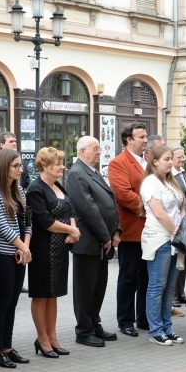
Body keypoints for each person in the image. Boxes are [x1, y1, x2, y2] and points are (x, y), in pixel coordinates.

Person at [66, 137, 120, 348]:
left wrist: (116, 231)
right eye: (95, 149)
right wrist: (105, 235)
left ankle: (94, 324)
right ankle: (84, 330)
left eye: (99, 149)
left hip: (102, 241)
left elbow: (110, 203)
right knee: (85, 289)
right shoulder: (77, 173)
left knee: (98, 287)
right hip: (89, 242)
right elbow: (88, 209)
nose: (99, 152)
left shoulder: (93, 171)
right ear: (82, 151)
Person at [27, 147, 80, 356]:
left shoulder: (58, 185)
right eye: (57, 164)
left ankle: (53, 337)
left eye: (61, 163)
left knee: (54, 295)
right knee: (41, 295)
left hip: (60, 249)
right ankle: (42, 339)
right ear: (45, 166)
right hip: (42, 249)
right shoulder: (35, 189)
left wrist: (73, 231)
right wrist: (72, 230)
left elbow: (70, 210)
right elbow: (46, 222)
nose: (62, 167)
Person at [0, 149, 32, 368]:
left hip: (19, 251)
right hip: (3, 253)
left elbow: (27, 222)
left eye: (21, 165)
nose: (21, 169)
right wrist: (22, 247)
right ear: (5, 167)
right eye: (16, 166)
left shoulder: (19, 190)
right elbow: (2, 226)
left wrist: (26, 248)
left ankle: (8, 347)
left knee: (13, 301)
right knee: (3, 301)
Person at [140, 145, 186, 346]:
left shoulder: (171, 181)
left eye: (171, 159)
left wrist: (181, 226)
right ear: (155, 161)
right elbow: (158, 212)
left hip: (175, 237)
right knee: (157, 285)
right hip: (159, 237)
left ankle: (167, 327)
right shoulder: (150, 182)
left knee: (169, 287)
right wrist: (176, 230)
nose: (171, 162)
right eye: (167, 159)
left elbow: (182, 206)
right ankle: (155, 330)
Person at [108, 122, 149, 337]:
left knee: (147, 277)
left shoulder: (149, 160)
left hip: (151, 230)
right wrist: (150, 207)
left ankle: (143, 318)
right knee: (128, 277)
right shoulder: (119, 162)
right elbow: (123, 193)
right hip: (132, 229)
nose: (145, 140)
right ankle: (125, 320)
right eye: (140, 137)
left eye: (145, 136)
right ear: (128, 140)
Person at [171, 146, 186, 310]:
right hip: (176, 219)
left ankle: (181, 293)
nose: (182, 159)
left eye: (183, 156)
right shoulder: (170, 174)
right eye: (178, 157)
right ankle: (174, 295)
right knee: (176, 259)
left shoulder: (183, 173)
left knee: (183, 257)